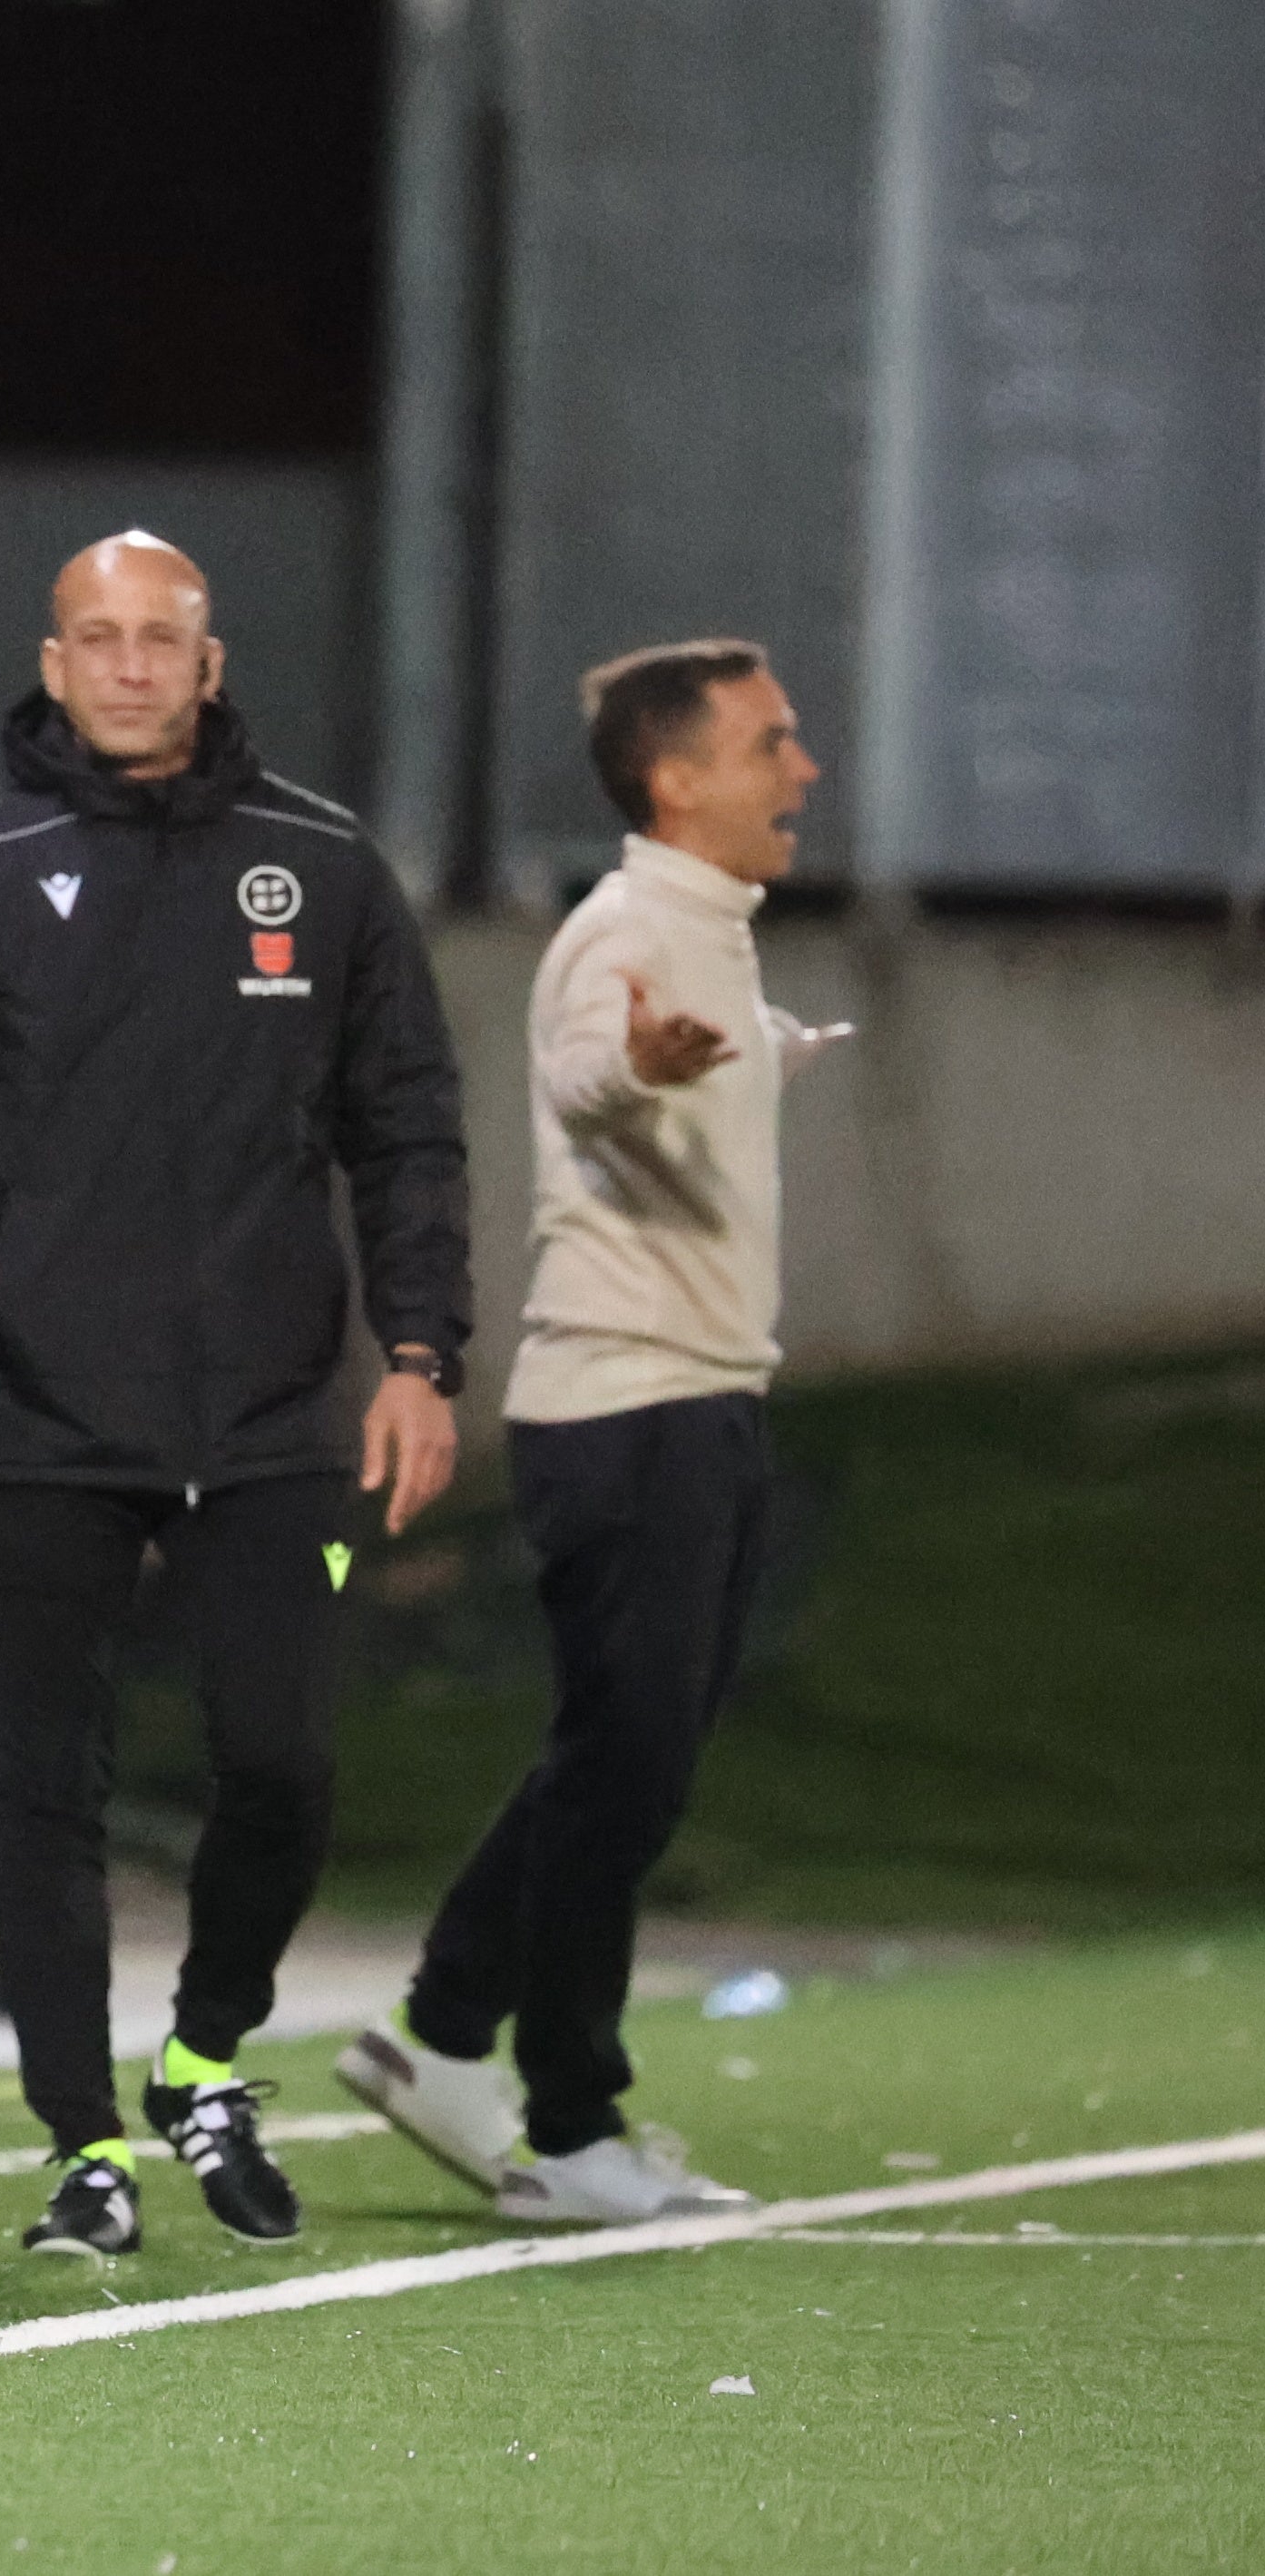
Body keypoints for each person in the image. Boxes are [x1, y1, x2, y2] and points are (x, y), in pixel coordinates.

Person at [0, 532, 468, 2261]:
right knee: (48, 1790)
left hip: (265, 1423)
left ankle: (207, 2055)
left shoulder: (322, 867)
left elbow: (410, 1133)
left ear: (211, 662)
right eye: (103, 637)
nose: (136, 665)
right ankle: (84, 2139)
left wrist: (423, 1352)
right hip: (42, 1424)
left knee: (283, 1762)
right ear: (55, 661)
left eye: (166, 637)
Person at [341, 642, 842, 2227]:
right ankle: (569, 2127)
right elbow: (584, 1072)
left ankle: (435, 2032)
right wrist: (644, 1061)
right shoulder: (624, 934)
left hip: (693, 1403)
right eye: (773, 742)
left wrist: (757, 1053)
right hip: (626, 1414)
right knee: (625, 1772)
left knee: (622, 1761)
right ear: (676, 778)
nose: (804, 767)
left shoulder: (712, 933)